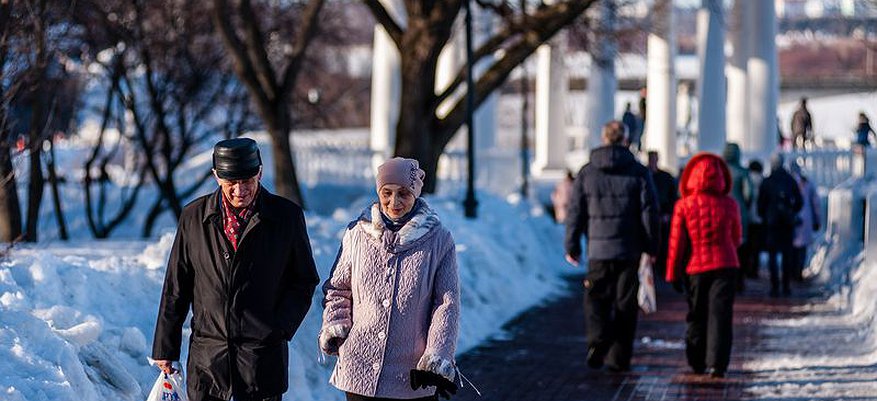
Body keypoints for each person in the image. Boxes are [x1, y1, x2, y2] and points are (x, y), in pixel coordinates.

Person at [152, 138, 320, 401]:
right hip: (208, 359)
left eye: (247, 181)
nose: (240, 190)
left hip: (261, 359)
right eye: (232, 182)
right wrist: (166, 347)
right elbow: (176, 285)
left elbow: (304, 279)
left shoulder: (286, 217)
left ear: (260, 173)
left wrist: (278, 327)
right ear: (217, 176)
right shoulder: (193, 217)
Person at [320, 157, 460, 401]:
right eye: (387, 193)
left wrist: (437, 356)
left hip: (412, 374)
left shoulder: (439, 240)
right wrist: (337, 326)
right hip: (360, 368)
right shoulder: (357, 234)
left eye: (403, 193)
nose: (394, 202)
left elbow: (445, 305)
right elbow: (338, 288)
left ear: (415, 194)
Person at [564, 121, 660, 372]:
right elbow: (649, 211)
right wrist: (652, 246)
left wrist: (572, 245)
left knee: (596, 297)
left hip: (598, 249)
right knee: (625, 304)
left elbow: (575, 211)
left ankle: (598, 339)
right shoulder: (639, 172)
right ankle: (619, 358)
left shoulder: (587, 172)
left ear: (604, 138)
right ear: (625, 140)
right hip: (629, 249)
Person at [665, 153, 741, 379]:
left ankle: (697, 360)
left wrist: (672, 274)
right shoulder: (730, 204)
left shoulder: (683, 205)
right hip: (726, 265)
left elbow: (676, 244)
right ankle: (717, 363)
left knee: (697, 314)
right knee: (721, 315)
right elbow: (736, 238)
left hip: (696, 268)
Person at [758, 154, 803, 296]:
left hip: (772, 223)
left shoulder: (767, 181)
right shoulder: (790, 180)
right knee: (786, 254)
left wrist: (765, 216)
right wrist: (791, 211)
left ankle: (774, 286)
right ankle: (786, 286)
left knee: (772, 255)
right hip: (787, 223)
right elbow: (799, 201)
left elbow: (761, 203)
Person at [722, 143, 752, 291]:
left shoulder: (720, 170)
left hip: (721, 213)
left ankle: (725, 279)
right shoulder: (743, 172)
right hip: (740, 214)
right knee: (740, 248)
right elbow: (748, 194)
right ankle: (739, 280)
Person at [647, 150, 678, 279]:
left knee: (664, 245)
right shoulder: (644, 175)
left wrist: (668, 214)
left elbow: (673, 197)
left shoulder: (665, 177)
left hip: (663, 217)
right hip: (651, 217)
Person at [790, 163, 821, 281]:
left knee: (791, 248)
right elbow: (816, 203)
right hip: (806, 218)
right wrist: (817, 219)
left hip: (791, 218)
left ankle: (792, 271)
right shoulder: (807, 183)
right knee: (802, 249)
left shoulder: (788, 182)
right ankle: (799, 271)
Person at [745, 161, 765, 279]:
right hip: (759, 218)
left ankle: (747, 269)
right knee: (756, 246)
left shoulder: (746, 179)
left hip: (747, 217)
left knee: (747, 245)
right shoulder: (763, 181)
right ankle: (755, 270)